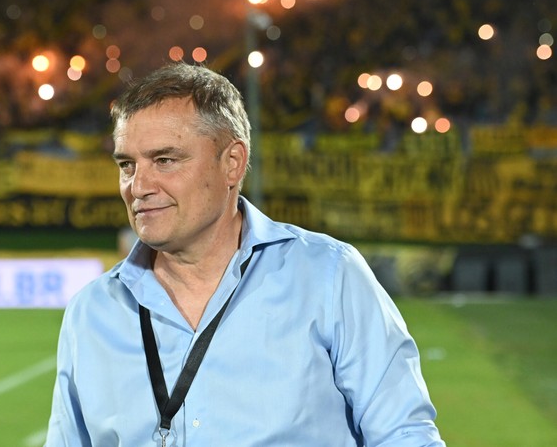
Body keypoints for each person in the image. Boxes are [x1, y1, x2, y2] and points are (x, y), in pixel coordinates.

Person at [44, 62, 445, 446]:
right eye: (127, 165)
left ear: (232, 163)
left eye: (165, 160)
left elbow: (404, 435)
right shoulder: (92, 311)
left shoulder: (328, 277)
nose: (138, 185)